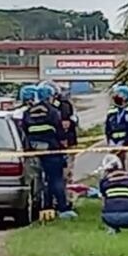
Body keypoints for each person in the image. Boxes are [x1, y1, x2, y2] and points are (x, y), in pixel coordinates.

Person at [19, 84, 75, 219]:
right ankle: (62, 208)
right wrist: (64, 146)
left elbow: (24, 132)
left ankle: (45, 207)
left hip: (33, 151)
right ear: (50, 96)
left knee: (39, 181)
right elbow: (60, 132)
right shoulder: (52, 111)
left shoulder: (28, 112)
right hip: (52, 150)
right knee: (56, 179)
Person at [41, 80, 78, 183]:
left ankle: (67, 190)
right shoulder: (41, 107)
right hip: (51, 145)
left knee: (65, 171)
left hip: (66, 142)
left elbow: (67, 124)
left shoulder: (64, 105)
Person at [104, 84, 128, 175]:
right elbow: (107, 128)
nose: (116, 96)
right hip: (114, 145)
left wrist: (123, 142)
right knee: (114, 170)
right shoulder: (112, 111)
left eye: (119, 94)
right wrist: (111, 142)